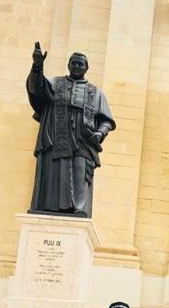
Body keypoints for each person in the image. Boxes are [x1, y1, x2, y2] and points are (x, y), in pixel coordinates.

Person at [27, 43, 115, 217]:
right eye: (73, 63)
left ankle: (79, 208)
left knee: (80, 170)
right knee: (55, 171)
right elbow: (36, 89)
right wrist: (37, 66)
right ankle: (51, 207)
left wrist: (100, 133)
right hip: (57, 132)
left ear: (86, 68)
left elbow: (106, 120)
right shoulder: (54, 83)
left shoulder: (96, 92)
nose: (76, 66)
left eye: (80, 64)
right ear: (68, 65)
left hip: (84, 137)